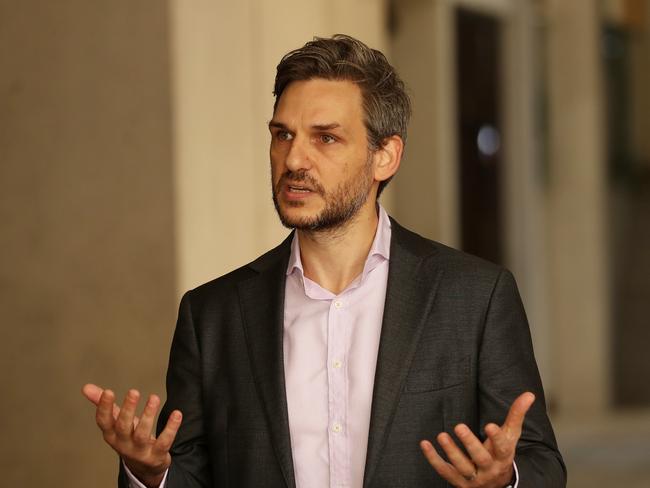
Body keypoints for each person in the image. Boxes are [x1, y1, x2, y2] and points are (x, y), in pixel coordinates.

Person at [83, 34, 566, 488]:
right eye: (283, 135)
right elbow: (191, 471)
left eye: (325, 138)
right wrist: (149, 473)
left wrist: (505, 479)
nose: (294, 160)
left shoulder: (475, 296)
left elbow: (540, 463)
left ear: (386, 156)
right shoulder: (212, 315)